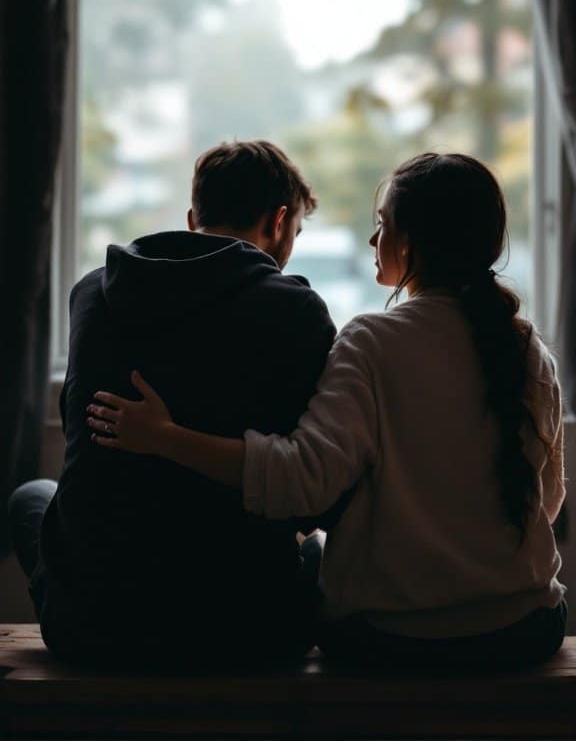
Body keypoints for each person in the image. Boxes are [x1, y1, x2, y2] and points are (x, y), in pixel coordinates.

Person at [88, 153, 567, 671]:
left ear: (413, 242)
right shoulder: (526, 349)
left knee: (309, 559)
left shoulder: (371, 342)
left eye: (381, 225)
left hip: (393, 640)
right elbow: (548, 497)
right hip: (526, 628)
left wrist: (166, 436)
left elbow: (302, 483)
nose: (371, 241)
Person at [8, 140, 338, 667]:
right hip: (249, 630)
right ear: (278, 222)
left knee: (32, 496)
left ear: (192, 219)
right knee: (317, 550)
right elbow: (305, 498)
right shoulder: (295, 311)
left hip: (91, 626)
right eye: (295, 232)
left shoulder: (92, 293)